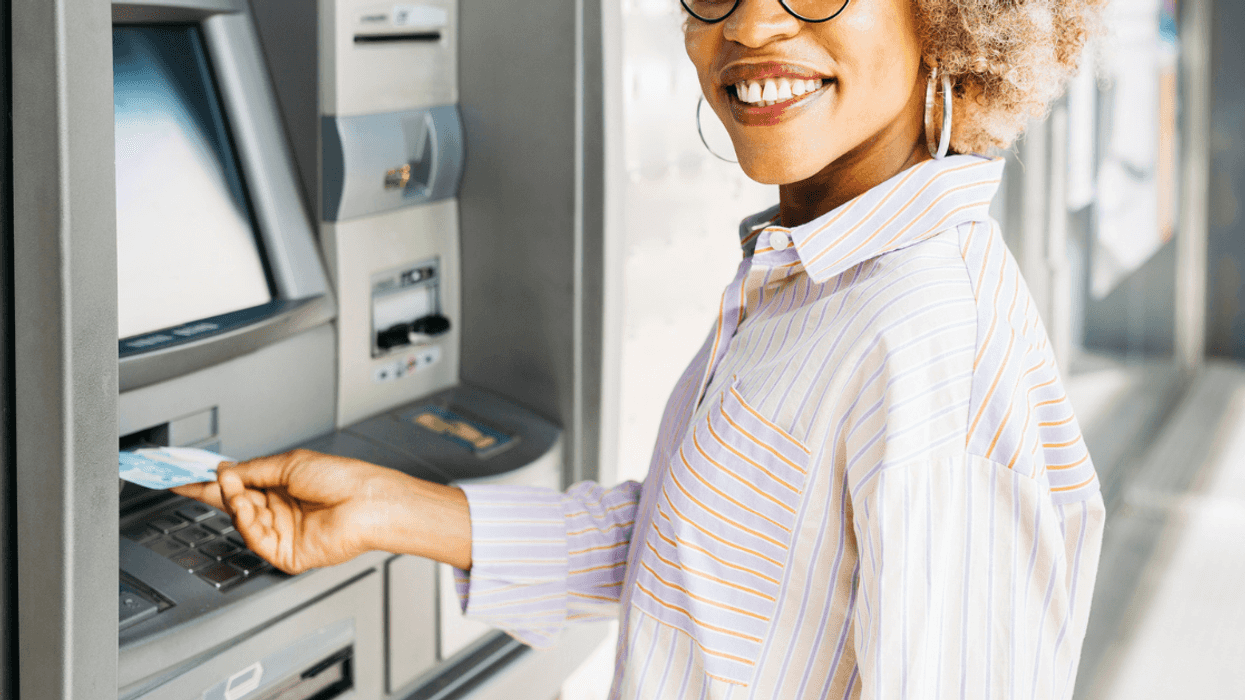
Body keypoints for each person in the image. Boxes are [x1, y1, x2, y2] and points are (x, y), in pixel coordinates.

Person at [176, 0, 1108, 696]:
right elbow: (716, 558)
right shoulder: (813, 273)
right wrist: (392, 509)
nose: (748, 25)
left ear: (950, 19)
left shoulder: (931, 344)